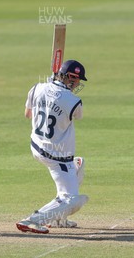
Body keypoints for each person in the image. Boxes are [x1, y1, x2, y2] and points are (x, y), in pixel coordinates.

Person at [16, 60, 89, 234]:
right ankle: (33, 220)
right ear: (70, 78)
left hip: (37, 146)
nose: (78, 84)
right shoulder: (74, 102)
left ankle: (58, 219)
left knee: (78, 164)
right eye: (77, 80)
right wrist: (55, 95)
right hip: (57, 156)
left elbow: (28, 114)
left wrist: (49, 92)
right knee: (73, 200)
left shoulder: (36, 88)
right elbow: (76, 116)